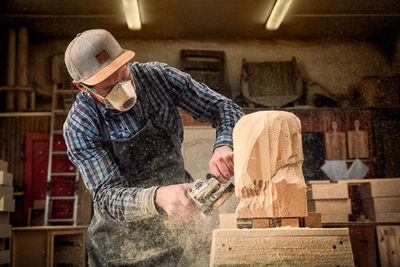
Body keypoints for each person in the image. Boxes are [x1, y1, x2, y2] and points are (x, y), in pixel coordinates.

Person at [63, 29, 244, 266]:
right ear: (82, 86)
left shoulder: (159, 77)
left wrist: (224, 145)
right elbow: (108, 196)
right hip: (120, 246)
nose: (121, 87)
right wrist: (158, 197)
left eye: (122, 75)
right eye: (106, 88)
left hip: (178, 229)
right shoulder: (80, 125)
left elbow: (224, 108)